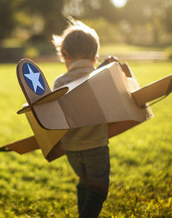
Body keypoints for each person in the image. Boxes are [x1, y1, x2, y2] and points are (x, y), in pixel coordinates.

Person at [52, 18, 117, 218]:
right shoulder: (101, 78)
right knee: (98, 189)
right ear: (95, 58)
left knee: (85, 182)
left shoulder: (59, 83)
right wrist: (111, 70)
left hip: (71, 148)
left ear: (65, 55)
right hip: (95, 146)